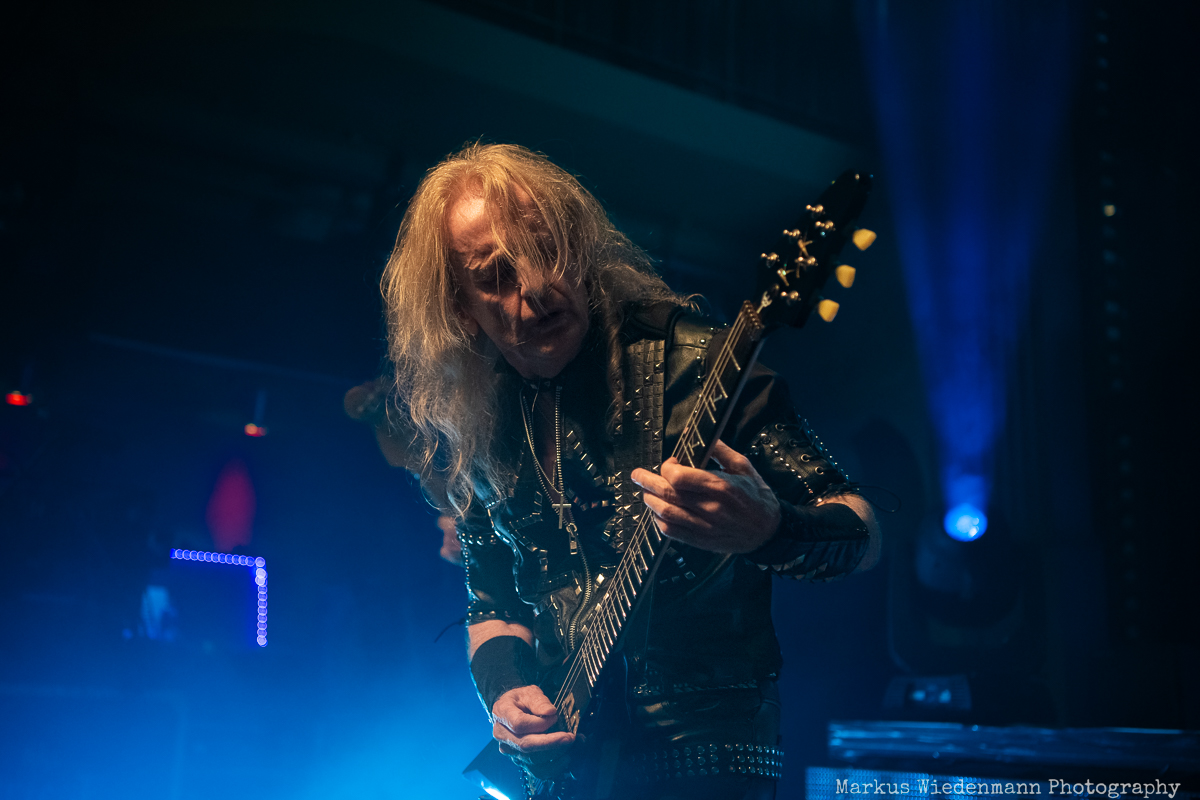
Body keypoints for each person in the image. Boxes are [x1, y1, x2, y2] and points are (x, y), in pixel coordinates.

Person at [379, 143, 880, 799]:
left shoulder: (698, 367)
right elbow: (493, 604)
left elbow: (862, 531)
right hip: (574, 772)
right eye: (496, 275)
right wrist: (506, 694)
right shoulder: (481, 425)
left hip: (707, 759)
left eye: (546, 247)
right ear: (460, 308)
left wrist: (770, 531)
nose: (535, 285)